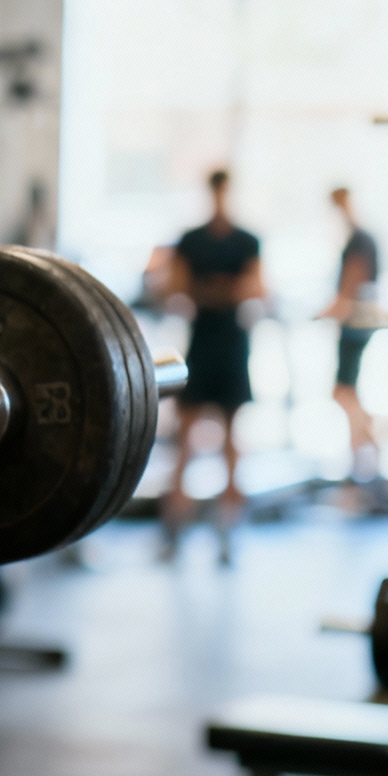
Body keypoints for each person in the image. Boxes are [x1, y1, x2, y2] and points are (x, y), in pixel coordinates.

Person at [161, 169, 264, 563]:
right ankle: (174, 529)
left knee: (232, 442)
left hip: (232, 345)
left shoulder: (247, 240)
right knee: (185, 441)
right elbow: (176, 287)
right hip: (203, 344)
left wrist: (212, 291)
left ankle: (228, 529)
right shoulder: (191, 240)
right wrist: (221, 291)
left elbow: (254, 288)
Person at [320, 186, 381, 485]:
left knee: (344, 392)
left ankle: (368, 448)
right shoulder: (360, 238)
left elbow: (351, 286)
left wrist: (329, 311)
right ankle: (366, 450)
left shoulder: (360, 239)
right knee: (347, 392)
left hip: (355, 325)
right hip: (356, 323)